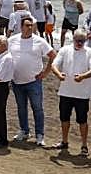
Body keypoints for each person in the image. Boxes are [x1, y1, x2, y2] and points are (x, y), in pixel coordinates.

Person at [7, 17, 55, 146]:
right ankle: (24, 130)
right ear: (21, 26)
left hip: (34, 81)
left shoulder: (39, 41)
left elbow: (52, 55)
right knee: (21, 108)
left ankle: (40, 135)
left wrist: (45, 73)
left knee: (37, 108)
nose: (30, 28)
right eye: (27, 25)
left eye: (31, 25)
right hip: (17, 81)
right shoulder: (12, 40)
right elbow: (4, 55)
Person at [50, 29, 91, 155]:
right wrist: (59, 75)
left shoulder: (90, 52)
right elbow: (54, 65)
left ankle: (84, 145)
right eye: (77, 40)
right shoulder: (65, 50)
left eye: (82, 41)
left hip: (82, 94)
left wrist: (82, 76)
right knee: (64, 118)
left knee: (82, 120)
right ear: (73, 39)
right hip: (65, 92)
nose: (80, 43)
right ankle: (64, 142)